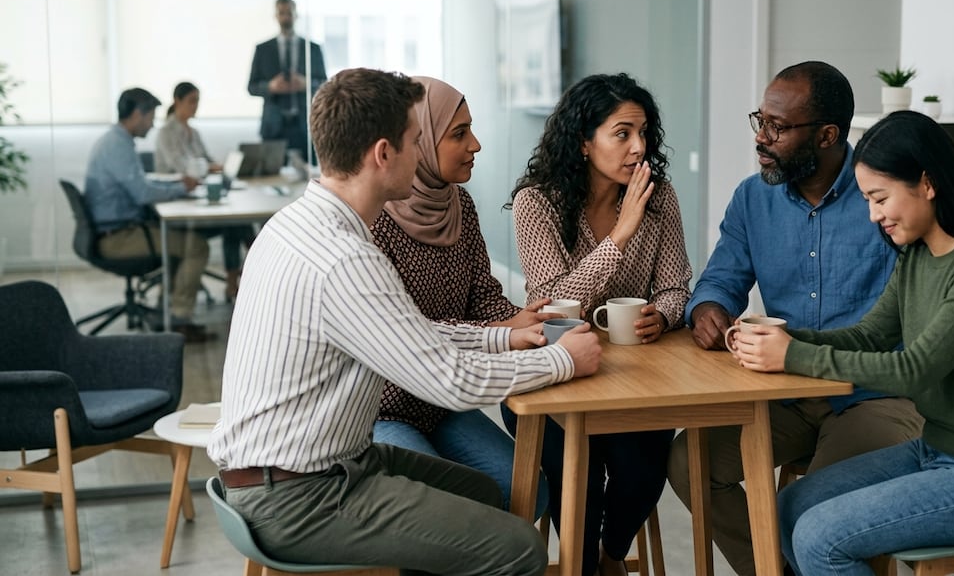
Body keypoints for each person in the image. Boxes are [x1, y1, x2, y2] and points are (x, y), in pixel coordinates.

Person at [208, 68, 602, 575]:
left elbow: (403, 333)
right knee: (520, 546)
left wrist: (503, 335)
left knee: (488, 492)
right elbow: (452, 381)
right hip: (301, 495)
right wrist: (561, 360)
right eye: (417, 142)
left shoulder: (295, 224)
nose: (422, 157)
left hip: (312, 468)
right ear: (383, 154)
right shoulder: (346, 259)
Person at [665, 61, 954, 576]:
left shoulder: (945, 244)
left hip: (886, 404)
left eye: (778, 126)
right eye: (761, 121)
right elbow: (866, 331)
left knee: (821, 528)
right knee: (714, 472)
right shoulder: (767, 202)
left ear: (827, 135)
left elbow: (919, 359)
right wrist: (741, 323)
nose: (762, 137)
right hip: (802, 394)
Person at [503, 73, 693, 576]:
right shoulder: (536, 203)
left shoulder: (660, 197)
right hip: (554, 376)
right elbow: (555, 307)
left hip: (635, 377)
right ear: (585, 143)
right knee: (576, 476)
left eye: (644, 133)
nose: (639, 147)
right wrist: (621, 236)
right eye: (623, 133)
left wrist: (664, 314)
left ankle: (612, 558)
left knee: (643, 467)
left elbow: (676, 287)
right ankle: (583, 565)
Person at [370, 75, 556, 515]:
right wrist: (501, 332)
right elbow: (408, 334)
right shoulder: (375, 222)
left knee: (528, 489)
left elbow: (483, 296)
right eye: (459, 133)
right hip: (383, 408)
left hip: (442, 403)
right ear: (418, 141)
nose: (475, 145)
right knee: (439, 508)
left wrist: (524, 318)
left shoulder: (460, 205)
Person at [83, 87, 212, 343]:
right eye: (151, 116)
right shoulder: (117, 145)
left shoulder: (116, 140)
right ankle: (179, 321)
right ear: (137, 115)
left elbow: (141, 182)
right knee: (196, 247)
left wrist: (175, 185)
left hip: (118, 229)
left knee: (179, 241)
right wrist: (179, 188)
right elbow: (142, 193)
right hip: (117, 237)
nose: (153, 123)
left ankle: (169, 310)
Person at [154, 81, 255, 301]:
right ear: (177, 101)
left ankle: (236, 283)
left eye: (198, 101)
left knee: (237, 223)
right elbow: (181, 166)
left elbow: (205, 161)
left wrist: (221, 165)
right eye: (191, 101)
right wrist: (210, 167)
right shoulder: (166, 132)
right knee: (236, 225)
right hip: (178, 204)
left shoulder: (194, 132)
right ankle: (253, 266)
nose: (195, 105)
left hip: (198, 198)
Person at [248, 0, 327, 162]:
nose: (286, 17)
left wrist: (306, 84)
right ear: (276, 16)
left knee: (310, 175)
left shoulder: (312, 48)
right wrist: (271, 86)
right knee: (271, 175)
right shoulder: (262, 49)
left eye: (289, 12)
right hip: (273, 125)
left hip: (304, 125)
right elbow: (252, 86)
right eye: (281, 13)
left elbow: (325, 84)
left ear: (296, 15)